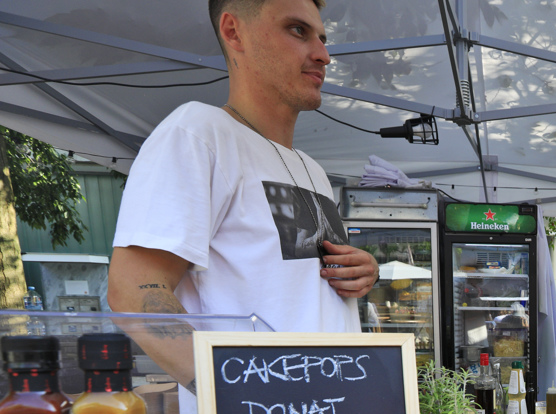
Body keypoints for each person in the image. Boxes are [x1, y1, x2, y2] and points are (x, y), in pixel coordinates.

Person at [107, 0, 379, 394]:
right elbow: (132, 290)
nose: (323, 55)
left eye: (322, 38)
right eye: (298, 31)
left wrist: (361, 273)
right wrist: (235, 400)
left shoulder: (313, 170)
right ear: (234, 32)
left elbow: (290, 287)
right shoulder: (198, 133)